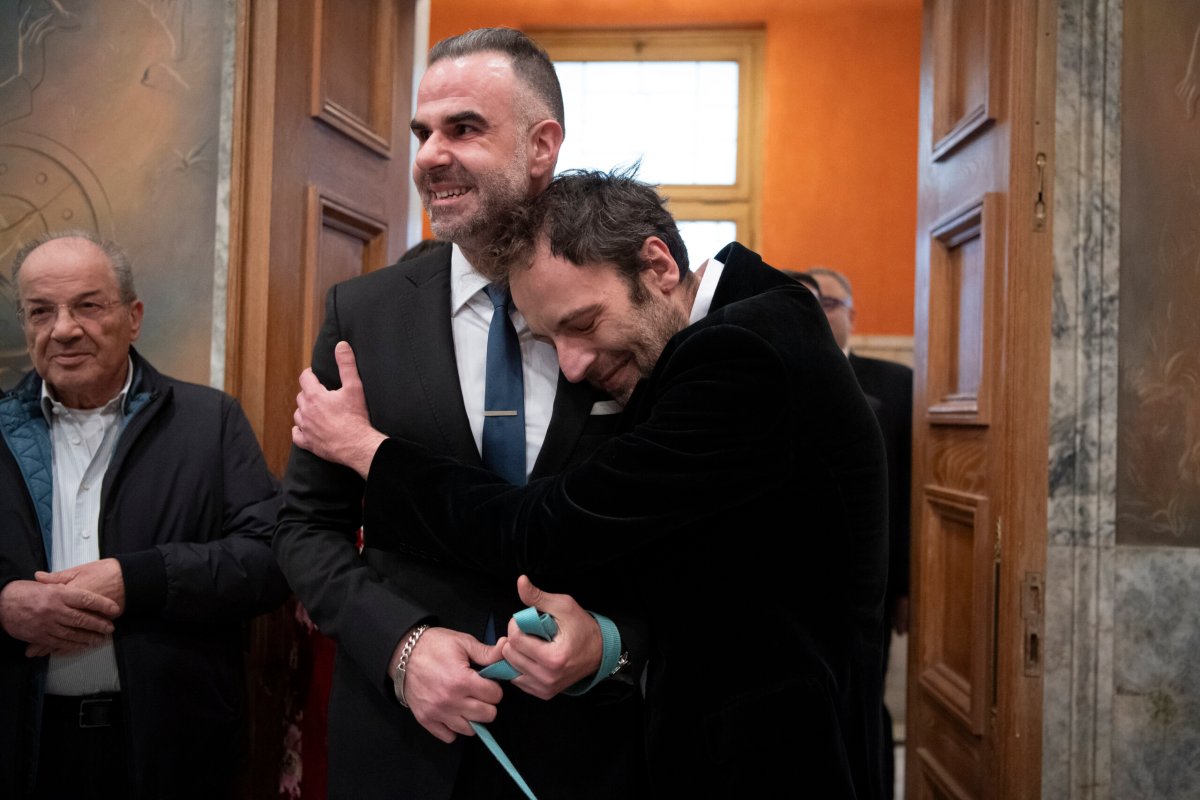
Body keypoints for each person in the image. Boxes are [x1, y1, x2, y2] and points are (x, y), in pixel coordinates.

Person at [291, 169, 891, 798]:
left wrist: (367, 450)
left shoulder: (741, 355)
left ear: (656, 264)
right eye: (549, 341)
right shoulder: (752, 307)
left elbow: (543, 527)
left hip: (769, 760)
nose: (571, 366)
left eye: (581, 323)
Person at [273, 28, 648, 800]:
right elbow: (303, 527)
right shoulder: (363, 314)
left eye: (464, 128)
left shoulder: (626, 303)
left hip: (591, 751)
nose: (429, 156)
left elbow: (678, 541)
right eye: (422, 133)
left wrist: (612, 644)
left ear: (542, 145)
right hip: (402, 748)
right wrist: (401, 647)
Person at [0, 231, 288, 799]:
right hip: (21, 755)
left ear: (132, 316)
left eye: (87, 305)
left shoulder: (210, 422)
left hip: (171, 753)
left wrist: (139, 579)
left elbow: (272, 558)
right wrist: (1, 605)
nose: (63, 329)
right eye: (41, 311)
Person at [807, 265, 913, 800]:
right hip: (802, 582)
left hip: (874, 581)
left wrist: (905, 586)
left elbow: (911, 491)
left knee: (868, 700)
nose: (820, 312)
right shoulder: (776, 371)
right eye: (811, 303)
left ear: (852, 314)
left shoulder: (896, 383)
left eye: (831, 304)